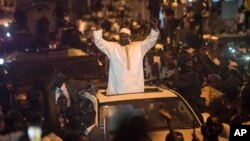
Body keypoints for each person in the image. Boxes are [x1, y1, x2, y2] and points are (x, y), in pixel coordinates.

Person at [93, 18, 160, 95]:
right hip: (118, 90)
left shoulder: (138, 46)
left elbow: (150, 41)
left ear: (129, 37)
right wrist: (98, 26)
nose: (123, 38)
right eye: (121, 36)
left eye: (125, 36)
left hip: (135, 89)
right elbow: (99, 42)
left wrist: (154, 28)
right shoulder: (113, 47)